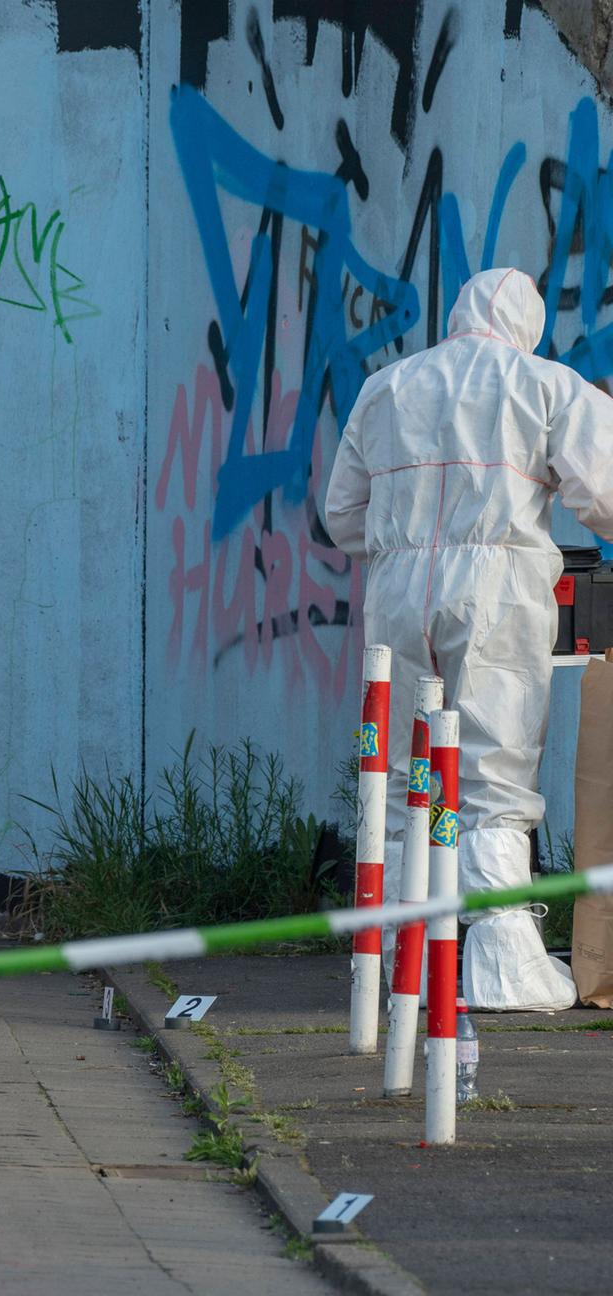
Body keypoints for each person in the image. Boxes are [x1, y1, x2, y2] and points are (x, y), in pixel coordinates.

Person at [325, 267, 613, 1011]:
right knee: (493, 772)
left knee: (397, 774)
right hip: (497, 592)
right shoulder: (543, 383)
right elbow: (606, 492)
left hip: (396, 593)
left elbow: (342, 514)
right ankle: (500, 966)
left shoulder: (388, 387)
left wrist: (404, 546)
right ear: (527, 321)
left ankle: (400, 965)